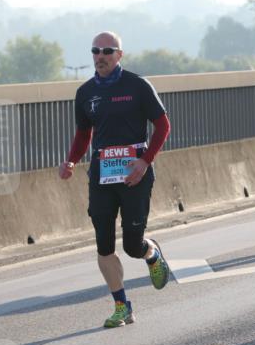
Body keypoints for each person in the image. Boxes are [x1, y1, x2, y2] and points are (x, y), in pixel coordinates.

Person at [59, 31, 172, 328]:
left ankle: (151, 252)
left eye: (108, 51)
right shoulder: (85, 93)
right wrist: (71, 160)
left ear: (119, 55)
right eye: (95, 51)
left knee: (132, 246)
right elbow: (83, 134)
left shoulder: (137, 86)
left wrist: (145, 161)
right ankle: (122, 306)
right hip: (102, 176)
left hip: (135, 174)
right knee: (104, 245)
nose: (101, 56)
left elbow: (163, 126)